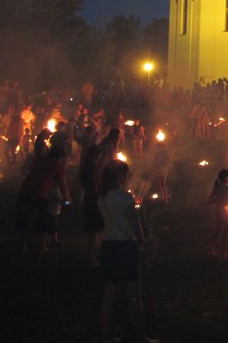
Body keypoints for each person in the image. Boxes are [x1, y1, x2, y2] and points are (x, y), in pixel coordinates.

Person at [96, 159, 157, 343]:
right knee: (133, 295)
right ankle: (141, 337)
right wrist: (142, 243)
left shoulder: (102, 198)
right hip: (125, 247)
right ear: (121, 177)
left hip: (108, 247)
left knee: (108, 295)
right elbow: (135, 224)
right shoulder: (124, 197)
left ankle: (105, 336)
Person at [16, 145, 70, 254]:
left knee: (25, 219)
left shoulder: (38, 162)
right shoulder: (57, 166)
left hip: (25, 191)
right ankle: (42, 247)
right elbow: (62, 184)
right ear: (60, 157)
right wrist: (67, 197)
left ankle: (23, 246)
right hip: (39, 193)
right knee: (42, 220)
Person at [79, 143, 104, 268]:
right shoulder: (93, 168)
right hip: (93, 200)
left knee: (93, 231)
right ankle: (92, 258)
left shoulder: (84, 166)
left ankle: (91, 255)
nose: (99, 158)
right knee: (94, 231)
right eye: (98, 155)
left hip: (88, 199)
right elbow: (96, 185)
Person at [208, 168, 228, 257]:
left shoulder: (216, 188)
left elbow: (210, 199)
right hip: (226, 213)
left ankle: (211, 249)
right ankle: (222, 252)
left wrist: (217, 200)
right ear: (225, 178)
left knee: (218, 230)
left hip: (218, 212)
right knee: (226, 232)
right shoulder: (227, 189)